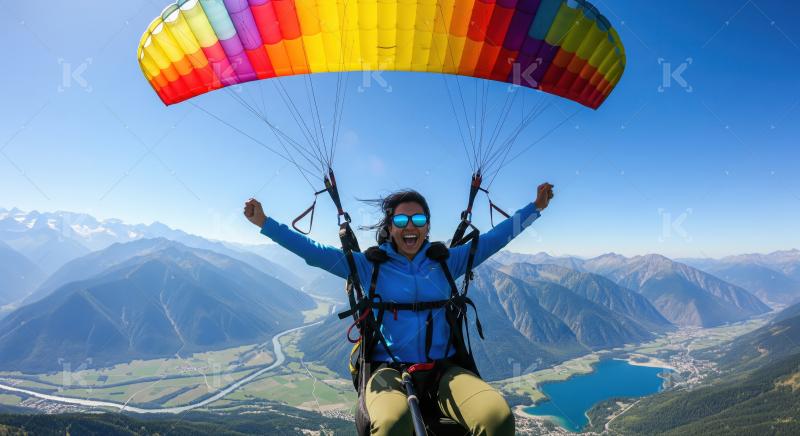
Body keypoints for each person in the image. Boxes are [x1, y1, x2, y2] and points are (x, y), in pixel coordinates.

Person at [244, 183, 553, 436]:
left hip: (443, 371)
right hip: (388, 371)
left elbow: (496, 238)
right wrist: (265, 224)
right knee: (391, 426)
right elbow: (314, 253)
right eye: (401, 221)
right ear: (390, 227)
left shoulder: (448, 262)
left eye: (418, 220)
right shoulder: (368, 267)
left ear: (428, 226)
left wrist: (535, 207)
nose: (410, 227)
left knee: (497, 419)